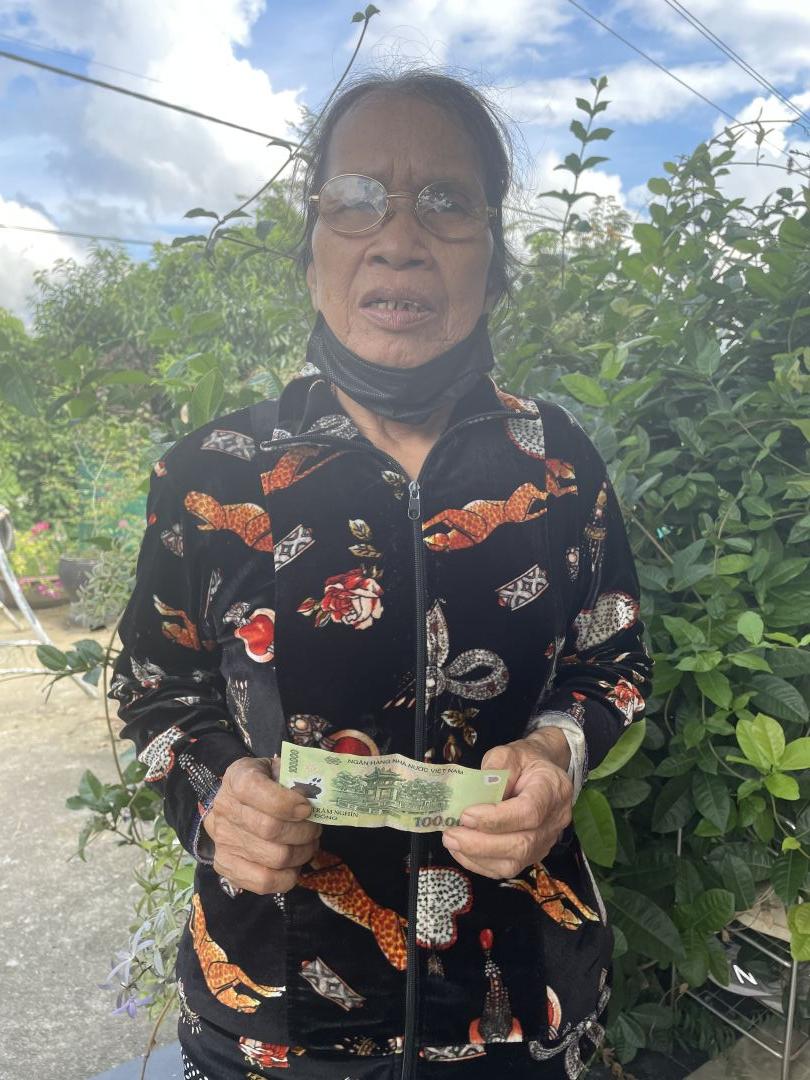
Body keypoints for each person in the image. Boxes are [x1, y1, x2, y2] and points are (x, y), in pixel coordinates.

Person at [110, 70, 653, 1080]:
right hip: (273, 1014)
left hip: (519, 1007)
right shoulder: (212, 474)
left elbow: (612, 660)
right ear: (312, 246)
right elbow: (154, 686)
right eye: (358, 197)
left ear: (493, 254)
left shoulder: (556, 464)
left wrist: (558, 754)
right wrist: (216, 792)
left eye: (446, 200)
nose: (399, 237)